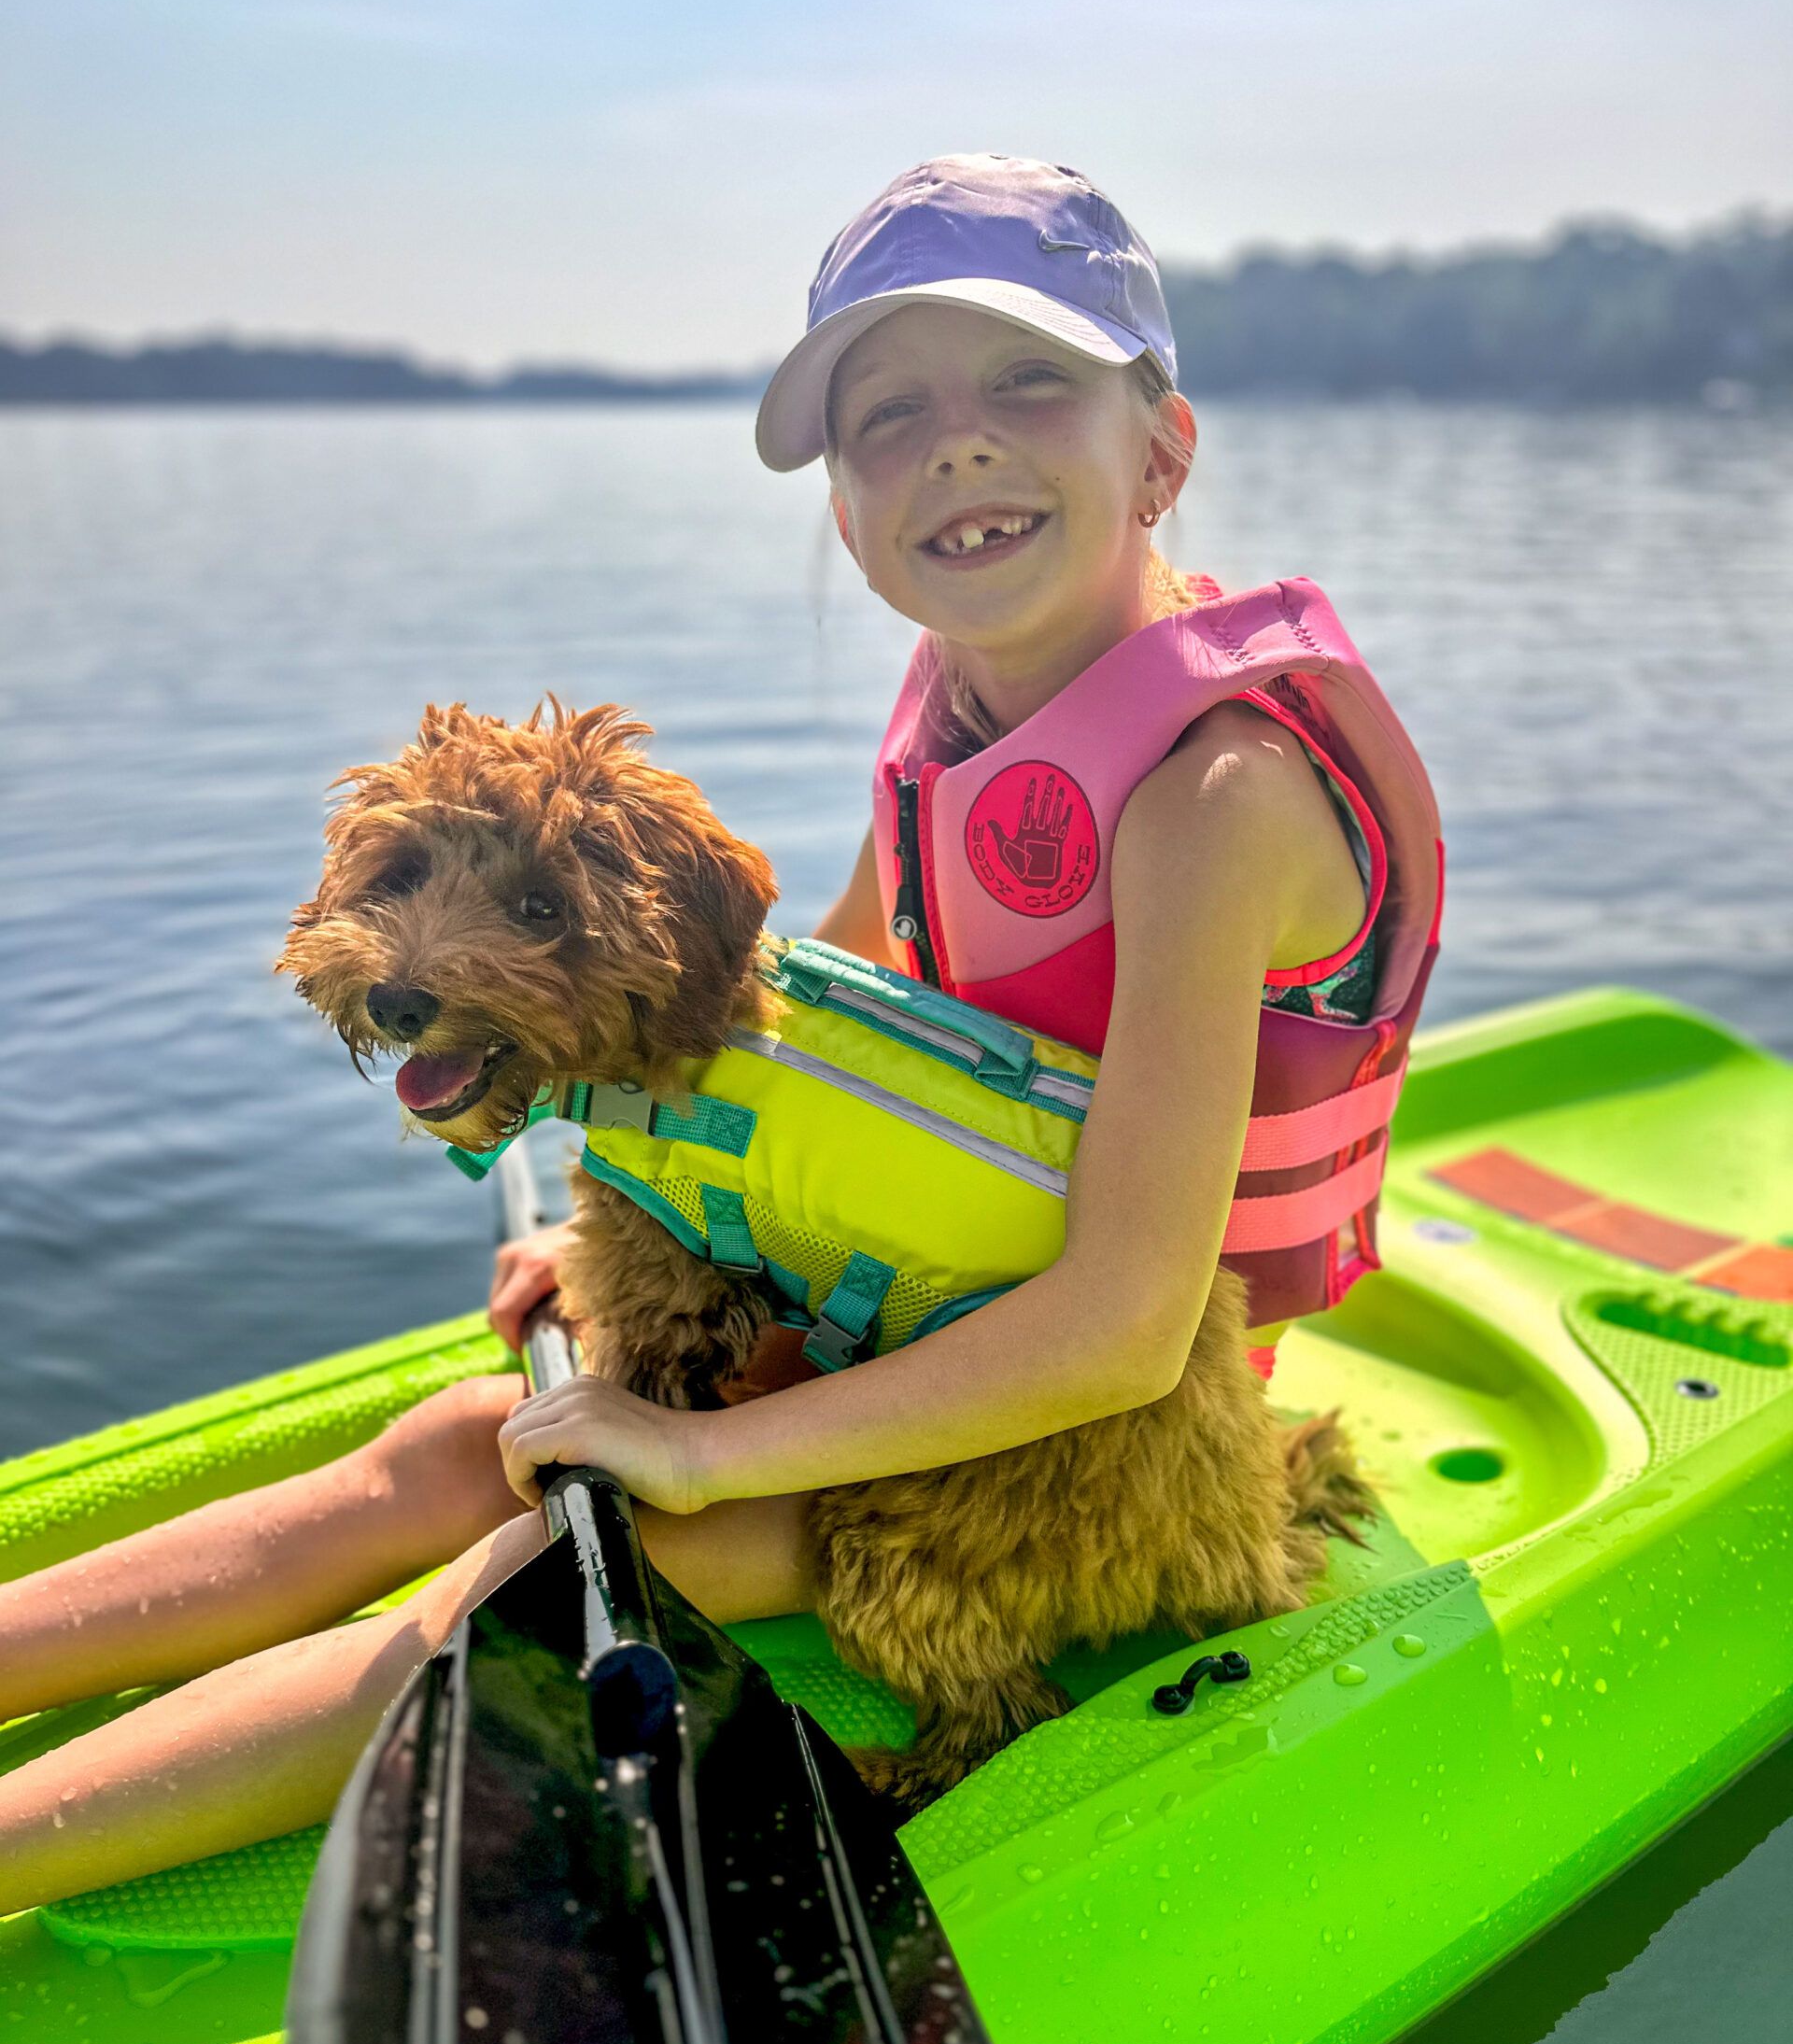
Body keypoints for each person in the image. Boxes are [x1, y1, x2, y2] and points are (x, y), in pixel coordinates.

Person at [0, 156, 1436, 1910]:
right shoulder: (960, 705)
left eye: (1029, 383)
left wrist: (697, 1447)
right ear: (845, 507)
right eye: (888, 416)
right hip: (929, 1312)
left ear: (1161, 451)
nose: (957, 447)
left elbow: (1129, 1332)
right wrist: (650, 1215)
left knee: (539, 1570)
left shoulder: (1217, 795)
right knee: (452, 1448)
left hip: (1102, 1444)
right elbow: (817, 1007)